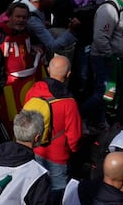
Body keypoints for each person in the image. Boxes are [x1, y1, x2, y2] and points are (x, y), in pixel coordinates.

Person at [29, 55, 84, 190]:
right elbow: (74, 137)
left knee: (37, 189)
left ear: (48, 70)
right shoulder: (69, 103)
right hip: (57, 157)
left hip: (33, 149)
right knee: (57, 195)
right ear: (69, 74)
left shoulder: (33, 91)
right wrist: (75, 151)